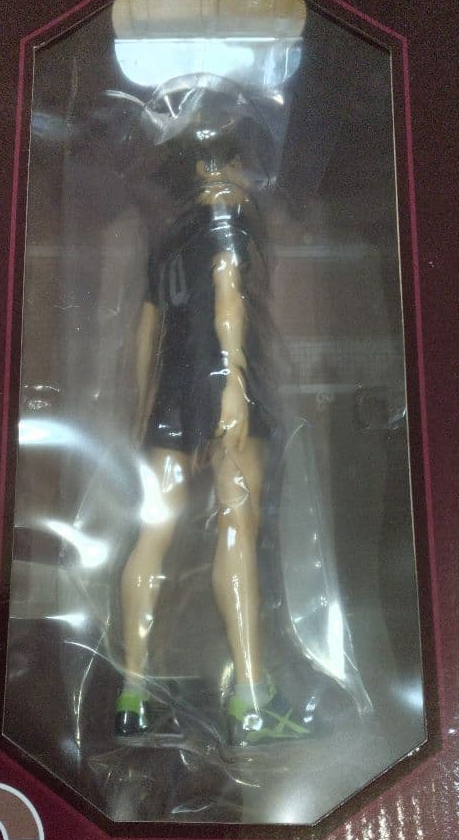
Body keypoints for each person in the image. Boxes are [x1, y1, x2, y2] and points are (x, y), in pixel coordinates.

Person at [115, 87, 312, 746]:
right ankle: (250, 698)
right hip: (223, 387)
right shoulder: (230, 220)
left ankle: (131, 692)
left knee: (153, 535)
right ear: (211, 167)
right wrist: (231, 389)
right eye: (237, 162)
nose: (244, 176)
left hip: (170, 396)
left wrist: (146, 408)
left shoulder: (166, 239)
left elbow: (146, 332)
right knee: (237, 533)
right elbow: (228, 298)